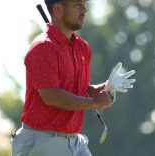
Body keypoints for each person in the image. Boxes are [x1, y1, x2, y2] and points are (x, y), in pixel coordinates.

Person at [11, 0, 136, 156]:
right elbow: (52, 96)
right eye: (77, 4)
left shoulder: (82, 47)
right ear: (58, 8)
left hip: (74, 140)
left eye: (84, 4)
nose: (84, 10)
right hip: (42, 140)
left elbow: (79, 91)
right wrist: (95, 103)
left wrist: (105, 87)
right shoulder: (43, 47)